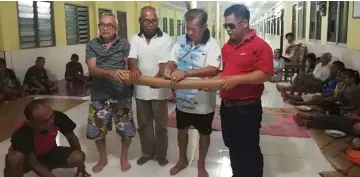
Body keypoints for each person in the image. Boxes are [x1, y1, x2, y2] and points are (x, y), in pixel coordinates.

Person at [163, 8, 222, 177]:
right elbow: (172, 60)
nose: (189, 32)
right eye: (187, 28)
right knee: (182, 131)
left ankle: (201, 165)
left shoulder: (212, 44)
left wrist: (186, 73)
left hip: (203, 100)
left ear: (204, 27)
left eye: (193, 29)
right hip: (182, 98)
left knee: (204, 133)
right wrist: (169, 67)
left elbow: (212, 68)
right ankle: (182, 160)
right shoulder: (181, 41)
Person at [220, 4, 273, 177]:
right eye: (225, 25)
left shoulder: (261, 46)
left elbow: (265, 74)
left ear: (244, 23)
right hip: (227, 107)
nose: (228, 29)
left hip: (247, 109)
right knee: (232, 145)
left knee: (249, 149)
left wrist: (237, 80)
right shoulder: (226, 47)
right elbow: (226, 72)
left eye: (231, 25)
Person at [85, 12, 135, 173]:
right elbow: (92, 69)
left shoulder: (124, 44)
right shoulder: (92, 44)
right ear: (99, 26)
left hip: (121, 94)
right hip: (99, 95)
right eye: (102, 25)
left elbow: (130, 65)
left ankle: (124, 157)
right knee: (98, 131)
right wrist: (111, 72)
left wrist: (130, 75)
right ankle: (103, 158)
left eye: (109, 25)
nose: (105, 28)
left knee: (125, 131)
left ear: (116, 28)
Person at [127, 6, 173, 166]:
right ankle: (147, 153)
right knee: (144, 124)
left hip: (159, 90)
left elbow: (164, 62)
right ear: (140, 21)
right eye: (146, 20)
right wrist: (133, 69)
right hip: (140, 90)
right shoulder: (135, 38)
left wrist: (159, 78)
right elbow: (132, 56)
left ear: (157, 21)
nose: (150, 23)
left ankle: (160, 155)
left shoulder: (165, 38)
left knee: (161, 125)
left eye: (154, 20)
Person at [3, 99, 89, 177]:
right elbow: (34, 164)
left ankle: (48, 167)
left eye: (52, 116)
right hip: (27, 161)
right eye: (45, 120)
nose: (52, 121)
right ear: (32, 123)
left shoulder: (57, 117)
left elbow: (72, 139)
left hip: (49, 152)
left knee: (78, 156)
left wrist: (81, 165)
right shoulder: (21, 133)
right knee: (14, 158)